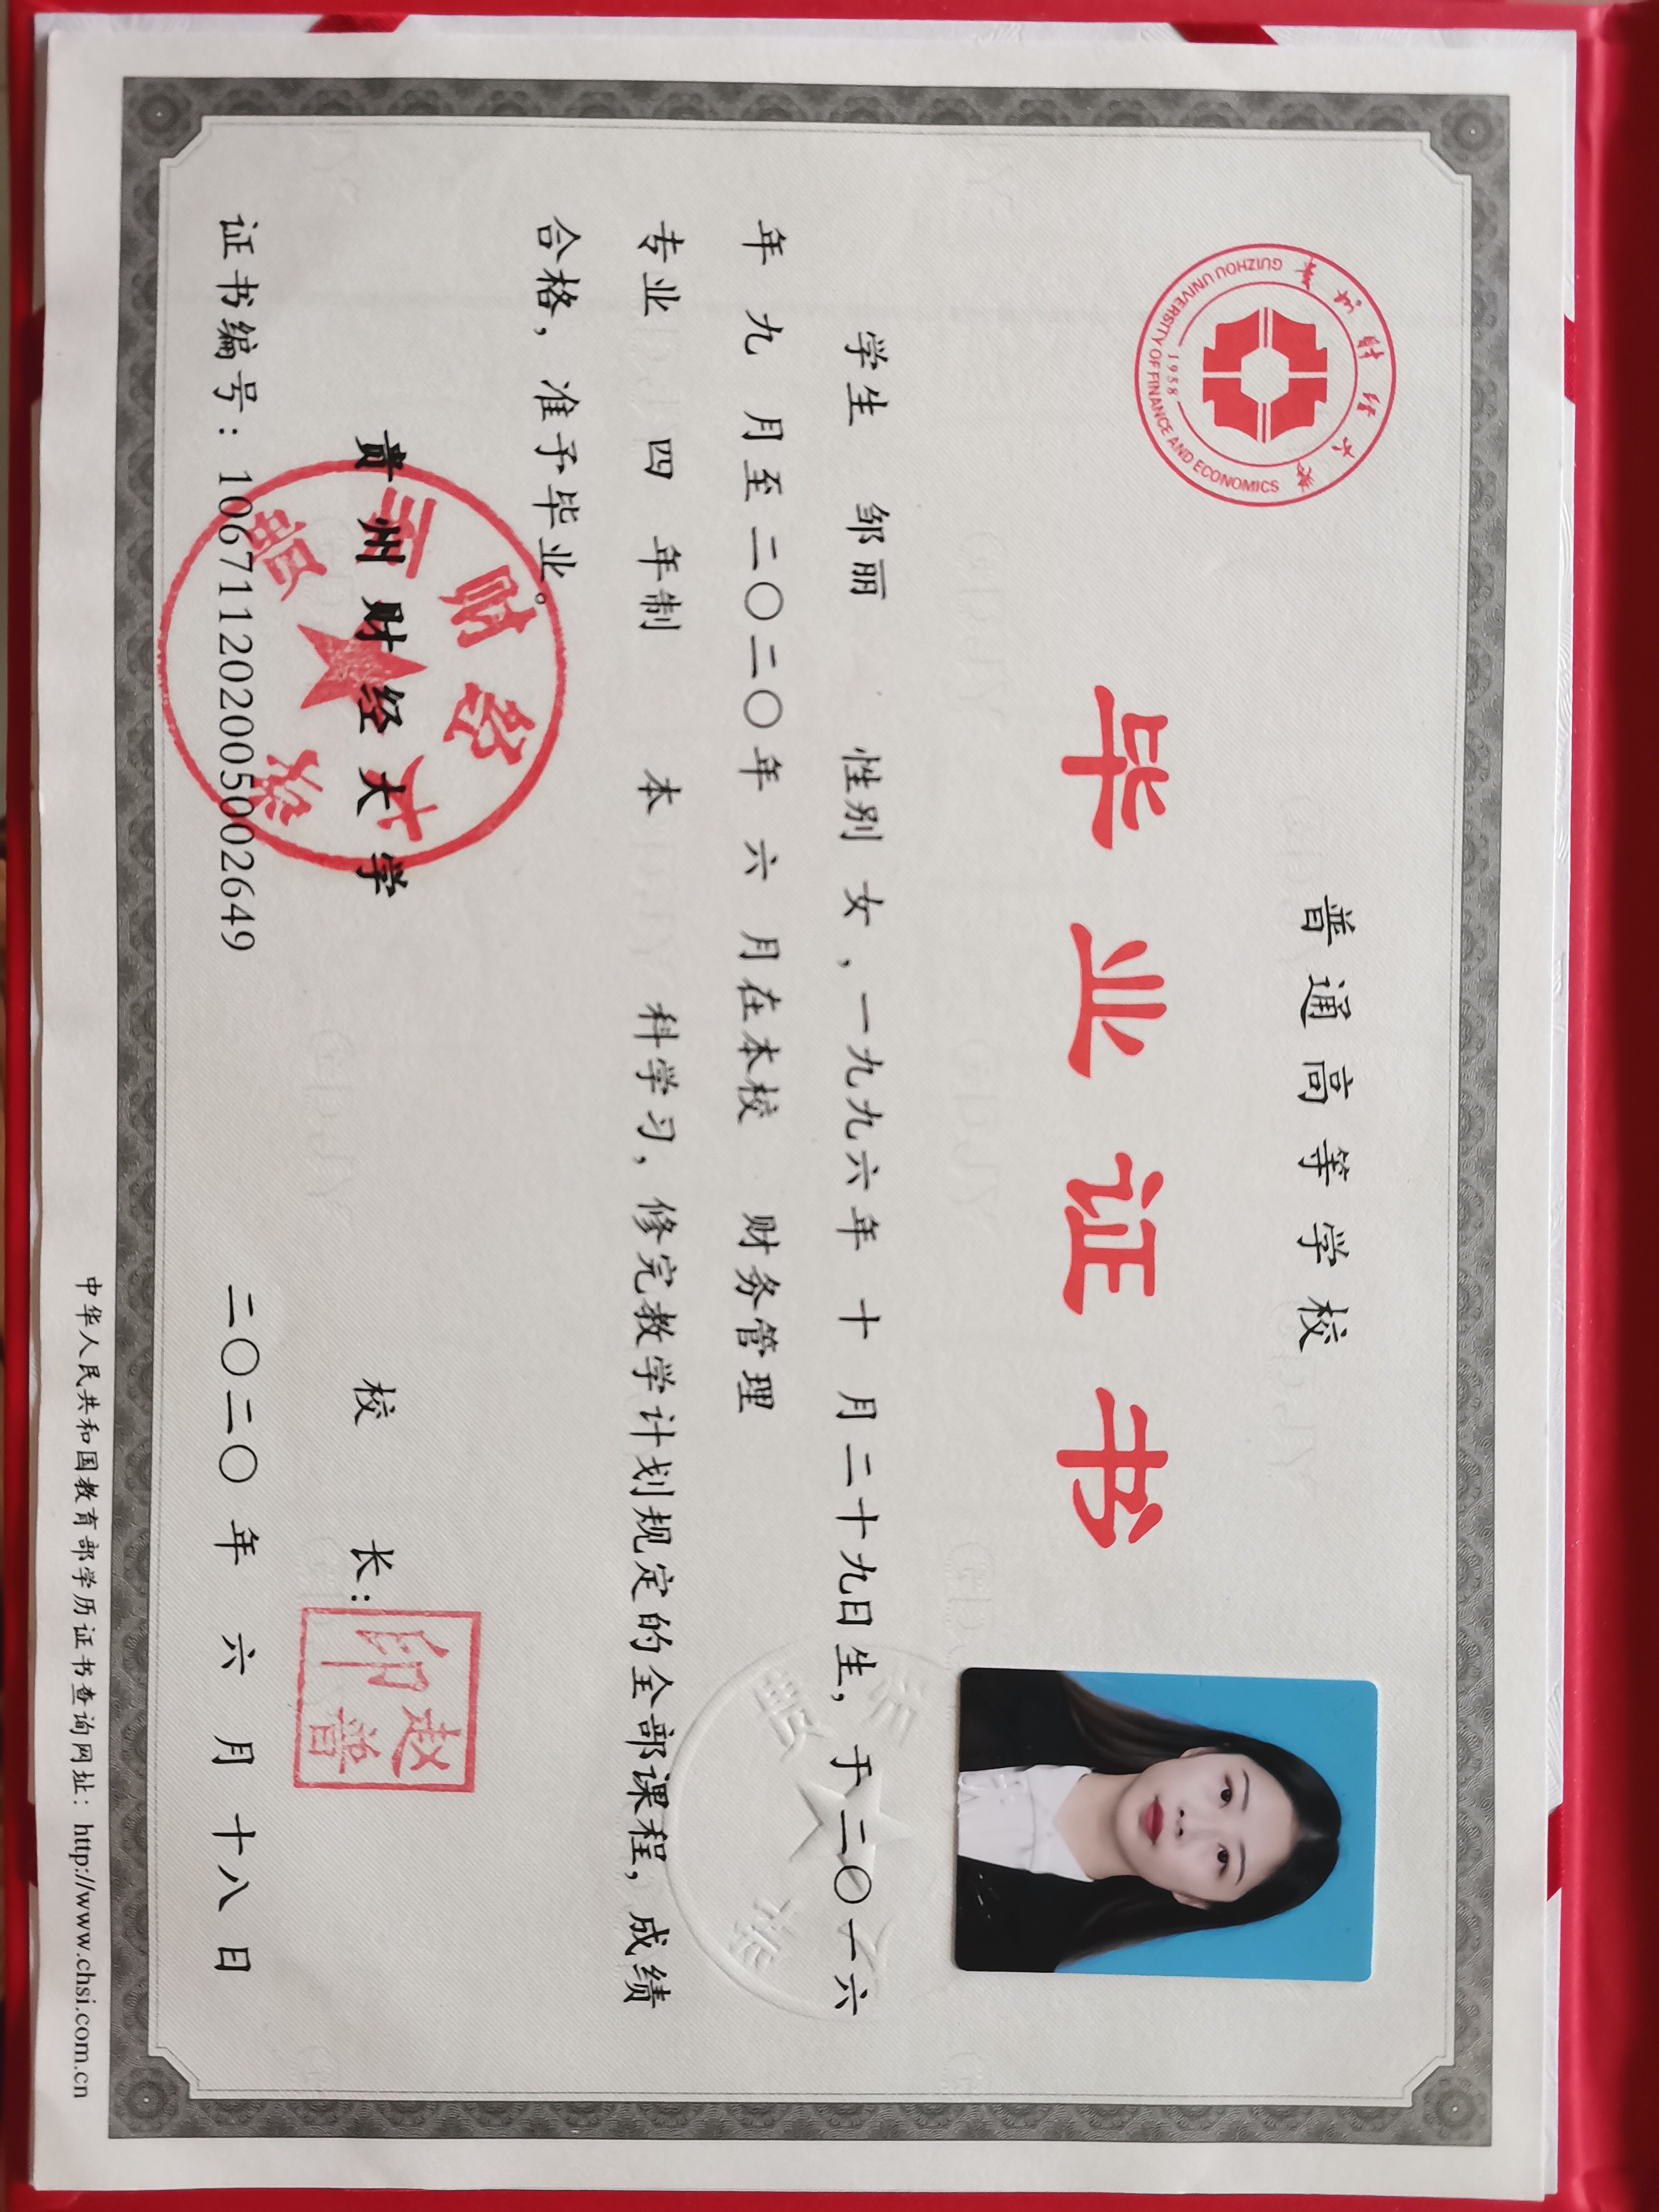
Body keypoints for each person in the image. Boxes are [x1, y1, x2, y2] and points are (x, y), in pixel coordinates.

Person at [954, 1668, 1342, 1972]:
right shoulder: (1005, 1685)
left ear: (1197, 1900)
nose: (1192, 1824)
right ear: (1203, 1754)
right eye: (1227, 1794)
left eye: (1223, 1858)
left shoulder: (1010, 1956)